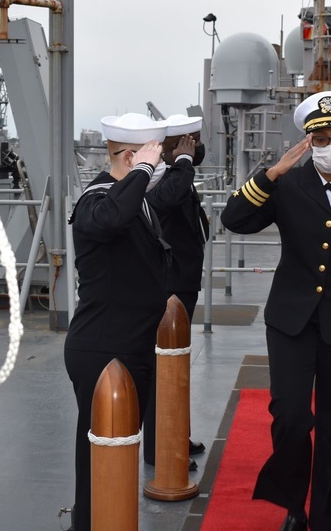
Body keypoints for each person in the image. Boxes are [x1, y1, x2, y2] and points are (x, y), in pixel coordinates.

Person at [221, 91, 331, 531]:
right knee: (291, 417)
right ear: (308, 141)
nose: (329, 145)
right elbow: (234, 220)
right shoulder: (286, 185)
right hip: (290, 322)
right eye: (320, 137)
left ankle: (322, 520)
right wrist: (271, 173)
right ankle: (293, 501)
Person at [63, 113, 171, 531]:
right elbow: (109, 220)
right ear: (130, 157)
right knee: (100, 450)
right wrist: (142, 170)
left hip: (133, 343)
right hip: (104, 348)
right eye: (153, 157)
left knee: (119, 448)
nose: (156, 167)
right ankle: (87, 524)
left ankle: (101, 520)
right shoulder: (96, 199)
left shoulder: (136, 200)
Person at [143, 113, 209, 467]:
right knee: (163, 366)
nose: (196, 148)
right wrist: (181, 158)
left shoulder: (176, 171)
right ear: (174, 144)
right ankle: (159, 447)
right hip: (168, 286)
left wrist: (184, 159)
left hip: (182, 282)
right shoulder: (158, 173)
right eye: (191, 141)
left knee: (176, 363)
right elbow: (163, 201)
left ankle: (174, 435)